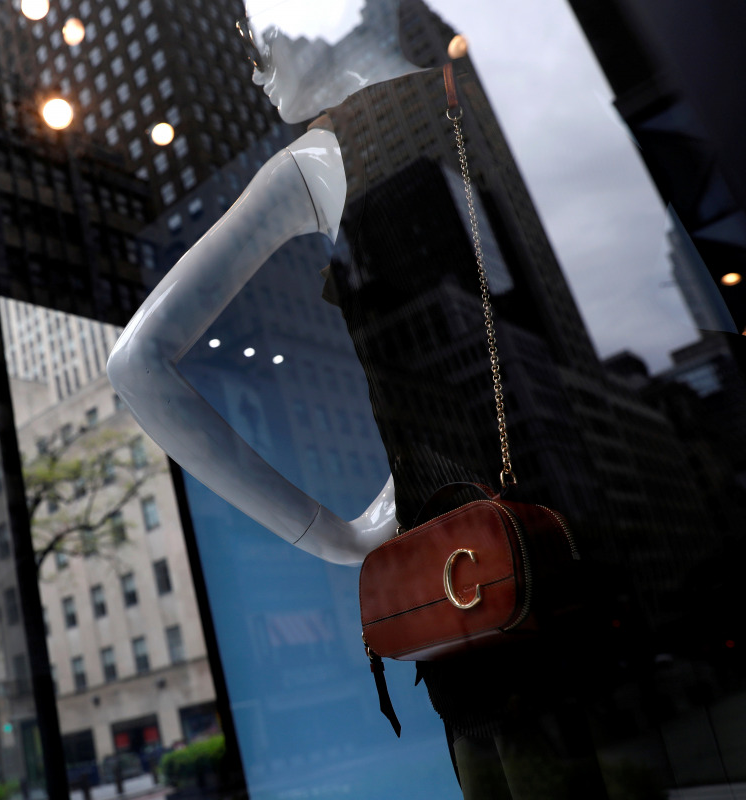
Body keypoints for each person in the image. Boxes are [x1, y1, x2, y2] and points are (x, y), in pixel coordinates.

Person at [109, 1, 744, 796]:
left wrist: (334, 536)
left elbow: (137, 363)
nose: (253, 59)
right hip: (579, 533)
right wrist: (335, 533)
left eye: (253, 24)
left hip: (476, 554)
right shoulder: (487, 96)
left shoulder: (326, 159)